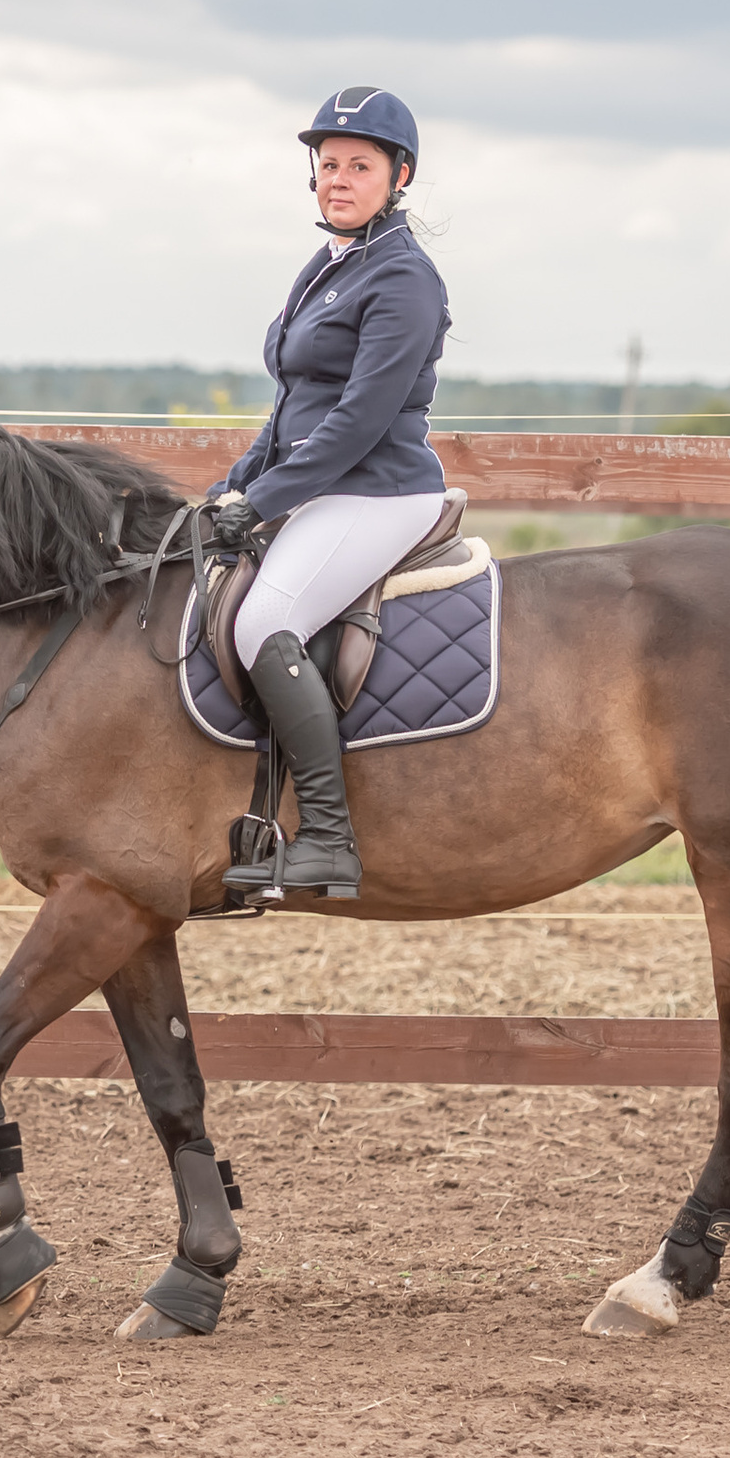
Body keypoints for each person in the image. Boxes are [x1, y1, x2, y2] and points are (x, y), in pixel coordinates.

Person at [208, 86, 451, 901]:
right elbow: (293, 410)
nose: (336, 180)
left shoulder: (405, 277)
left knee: (265, 618)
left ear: (399, 174)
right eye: (326, 165)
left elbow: (356, 421)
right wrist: (235, 485)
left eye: (358, 166)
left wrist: (267, 497)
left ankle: (329, 839)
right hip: (326, 486)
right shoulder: (331, 263)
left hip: (378, 492)